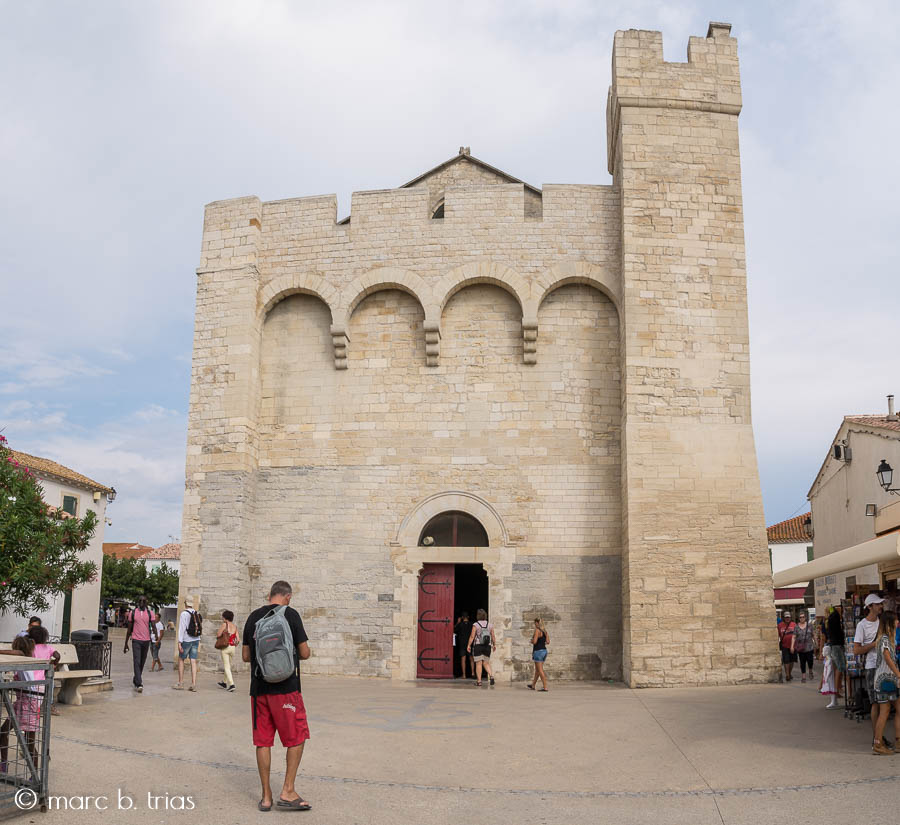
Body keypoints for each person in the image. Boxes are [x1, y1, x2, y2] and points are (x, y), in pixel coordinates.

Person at [242, 581, 311, 812]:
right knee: (297, 737)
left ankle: (266, 797)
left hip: (259, 691)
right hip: (286, 690)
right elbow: (304, 652)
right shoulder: (291, 615)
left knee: (263, 742)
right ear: (288, 597)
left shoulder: (253, 617)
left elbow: (245, 656)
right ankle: (288, 790)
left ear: (269, 595)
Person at [0, 636, 43, 774]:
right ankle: (4, 764)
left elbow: (18, 653)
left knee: (29, 742)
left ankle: (35, 773)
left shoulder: (22, 657)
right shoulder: (20, 661)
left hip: (29, 703)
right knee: (3, 732)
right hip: (21, 702)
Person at [854, 594, 886, 748]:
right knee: (875, 703)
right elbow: (856, 650)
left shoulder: (883, 622)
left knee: (886, 703)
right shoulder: (862, 625)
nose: (881, 606)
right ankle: (877, 737)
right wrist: (874, 644)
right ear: (870, 606)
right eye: (878, 604)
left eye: (881, 604)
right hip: (872, 666)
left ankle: (880, 735)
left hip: (886, 665)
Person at [870, 611, 900, 755]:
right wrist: (898, 674)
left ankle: (898, 741)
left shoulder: (888, 638)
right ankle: (877, 743)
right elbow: (887, 658)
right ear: (889, 623)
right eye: (895, 621)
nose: (897, 622)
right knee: (885, 711)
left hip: (889, 680)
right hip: (884, 680)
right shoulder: (885, 640)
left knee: (894, 709)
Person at [124, 595, 157, 693]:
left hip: (146, 641)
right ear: (137, 602)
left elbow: (154, 626)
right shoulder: (133, 613)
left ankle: (136, 679)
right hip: (136, 640)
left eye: (144, 601)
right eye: (140, 601)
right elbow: (129, 629)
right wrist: (125, 643)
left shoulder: (150, 613)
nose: (142, 602)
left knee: (142, 662)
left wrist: (156, 638)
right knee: (137, 661)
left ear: (147, 602)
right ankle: (139, 683)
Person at [28, 625, 60, 716]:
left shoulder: (31, 648)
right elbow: (57, 655)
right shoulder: (48, 647)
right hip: (41, 682)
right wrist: (54, 663)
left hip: (28, 681)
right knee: (35, 706)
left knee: (27, 706)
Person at [174, 599, 202, 692]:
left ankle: (181, 683)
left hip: (186, 640)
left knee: (181, 659)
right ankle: (193, 684)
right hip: (196, 639)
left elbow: (181, 628)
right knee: (193, 661)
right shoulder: (196, 612)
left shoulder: (184, 614)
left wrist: (179, 642)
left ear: (185, 603)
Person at [467, 608, 496, 687]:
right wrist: (494, 645)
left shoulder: (476, 625)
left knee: (478, 664)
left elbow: (472, 636)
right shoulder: (490, 625)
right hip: (487, 646)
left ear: (478, 616)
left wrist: (469, 645)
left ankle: (479, 681)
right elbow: (493, 636)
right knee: (486, 663)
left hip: (478, 646)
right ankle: (491, 676)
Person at [826, 603, 846, 708]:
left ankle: (836, 691)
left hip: (834, 644)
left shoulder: (831, 618)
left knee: (836, 669)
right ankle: (836, 691)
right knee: (839, 668)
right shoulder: (835, 617)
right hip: (837, 645)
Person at [217, 610, 240, 692]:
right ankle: (224, 682)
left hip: (225, 647)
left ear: (226, 618)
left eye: (223, 617)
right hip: (232, 648)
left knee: (226, 667)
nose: (222, 618)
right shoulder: (235, 626)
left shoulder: (224, 624)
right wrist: (233, 645)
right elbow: (238, 639)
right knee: (228, 666)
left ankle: (232, 684)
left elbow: (218, 634)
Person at [791, 610, 815, 683]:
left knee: (810, 661)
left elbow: (813, 635)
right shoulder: (796, 627)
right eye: (800, 617)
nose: (802, 618)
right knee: (802, 662)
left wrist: (816, 643)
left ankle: (810, 670)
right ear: (799, 618)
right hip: (801, 648)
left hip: (809, 647)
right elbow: (794, 637)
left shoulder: (810, 625)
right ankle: (803, 676)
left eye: (803, 617)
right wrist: (792, 646)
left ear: (805, 618)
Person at [527, 617, 550, 691]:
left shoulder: (537, 630)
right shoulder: (545, 631)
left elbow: (535, 642)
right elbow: (548, 642)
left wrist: (532, 641)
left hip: (538, 651)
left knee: (540, 670)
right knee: (537, 670)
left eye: (535, 623)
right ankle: (533, 685)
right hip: (544, 651)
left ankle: (545, 687)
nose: (534, 624)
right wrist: (542, 641)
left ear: (537, 623)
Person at [778, 610, 797, 681]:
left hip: (793, 646)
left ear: (790, 617)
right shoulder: (780, 625)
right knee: (786, 661)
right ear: (783, 618)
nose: (787, 619)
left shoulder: (794, 624)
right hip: (784, 646)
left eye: (788, 617)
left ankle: (789, 672)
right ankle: (787, 675)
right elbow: (778, 635)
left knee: (792, 661)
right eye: (786, 617)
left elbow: (796, 635)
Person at [455, 613, 473, 679]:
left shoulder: (460, 624)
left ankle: (464, 675)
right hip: (470, 643)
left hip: (462, 643)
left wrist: (458, 622)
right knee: (471, 658)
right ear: (468, 617)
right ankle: (473, 673)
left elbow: (454, 630)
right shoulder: (472, 624)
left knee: (463, 659)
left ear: (462, 617)